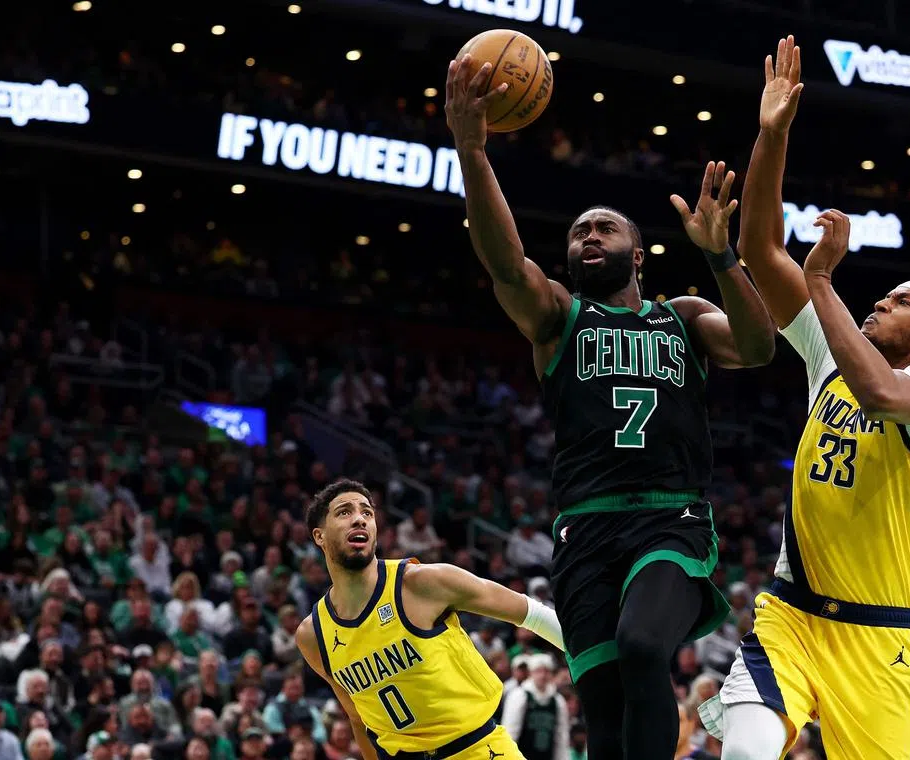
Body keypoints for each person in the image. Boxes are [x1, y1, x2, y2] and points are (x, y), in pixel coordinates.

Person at [445, 53, 776, 760]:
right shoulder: (558, 318)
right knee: (603, 710)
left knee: (641, 645)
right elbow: (504, 263)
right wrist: (471, 149)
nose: (588, 237)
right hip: (584, 528)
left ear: (638, 254)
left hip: (669, 518)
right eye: (578, 233)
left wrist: (723, 259)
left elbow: (757, 348)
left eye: (604, 229)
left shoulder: (681, 316)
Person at [699, 36, 910, 760]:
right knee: (743, 751)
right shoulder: (832, 353)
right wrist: (774, 135)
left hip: (877, 639)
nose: (879, 303)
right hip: (790, 618)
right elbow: (762, 246)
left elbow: (878, 390)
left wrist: (826, 282)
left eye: (898, 303)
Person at [296, 479, 565, 760]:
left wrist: (597, 659)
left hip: (477, 749)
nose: (359, 520)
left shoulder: (422, 583)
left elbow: (532, 614)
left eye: (367, 512)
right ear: (319, 536)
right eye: (344, 512)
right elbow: (359, 719)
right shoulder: (313, 635)